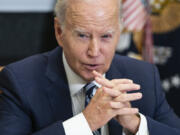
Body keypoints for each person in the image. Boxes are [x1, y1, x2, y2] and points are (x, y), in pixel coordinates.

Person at [0, 0, 180, 134]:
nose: (94, 51)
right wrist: (86, 122)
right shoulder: (20, 81)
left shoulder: (143, 76)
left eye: (106, 36)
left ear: (119, 31)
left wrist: (136, 125)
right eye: (82, 36)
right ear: (59, 32)